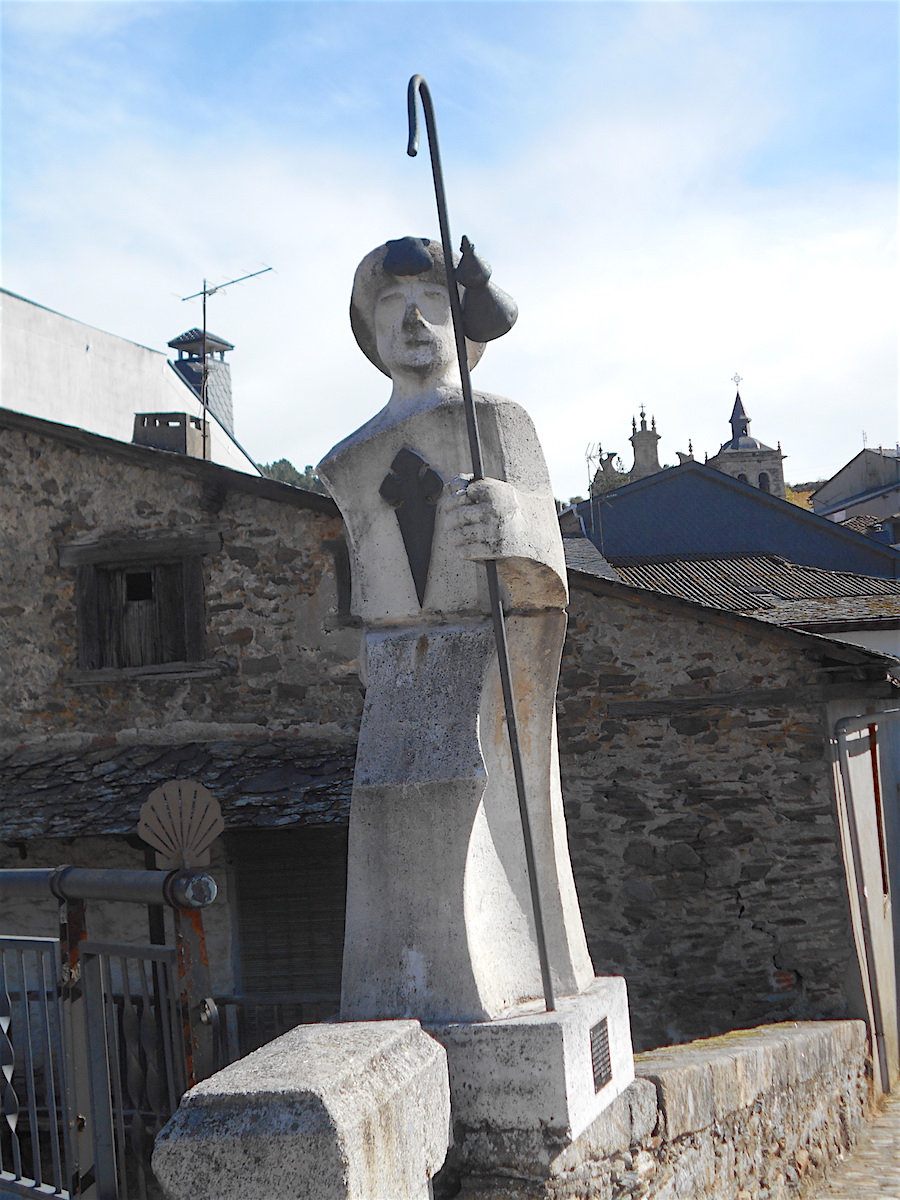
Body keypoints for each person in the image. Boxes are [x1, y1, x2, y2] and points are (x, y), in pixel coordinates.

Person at [318, 237, 594, 1023]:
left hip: (490, 652)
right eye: (391, 302)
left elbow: (551, 564)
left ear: (460, 319)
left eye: (433, 299)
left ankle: (513, 975)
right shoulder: (348, 460)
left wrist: (513, 521)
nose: (412, 317)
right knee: (392, 810)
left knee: (492, 819)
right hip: (398, 667)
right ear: (369, 327)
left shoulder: (498, 422)